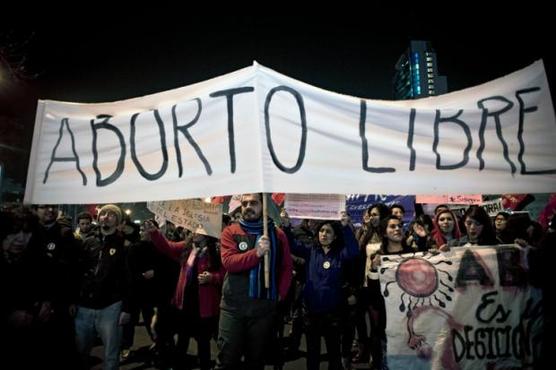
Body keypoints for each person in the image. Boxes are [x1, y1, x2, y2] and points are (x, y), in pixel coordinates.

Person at [216, 193, 293, 370]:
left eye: (253, 203)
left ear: (263, 206)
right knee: (227, 359)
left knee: (256, 360)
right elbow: (229, 263)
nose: (248, 207)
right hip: (233, 308)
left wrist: (280, 293)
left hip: (263, 309)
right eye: (245, 204)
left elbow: (287, 267)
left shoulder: (277, 234)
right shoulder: (230, 232)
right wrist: (256, 253)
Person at [144, 220, 225, 370]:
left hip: (204, 306)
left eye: (198, 230)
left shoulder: (217, 250)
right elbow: (167, 247)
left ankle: (205, 366)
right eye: (193, 229)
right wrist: (154, 232)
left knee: (203, 343)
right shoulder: (187, 248)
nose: (194, 232)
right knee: (182, 339)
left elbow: (224, 273)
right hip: (185, 303)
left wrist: (212, 277)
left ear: (207, 233)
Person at [283, 215, 359, 370]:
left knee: (334, 354)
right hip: (311, 313)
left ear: (335, 235)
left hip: (333, 314)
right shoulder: (311, 250)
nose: (324, 234)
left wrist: (345, 227)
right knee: (313, 354)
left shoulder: (340, 253)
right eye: (322, 231)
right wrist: (286, 226)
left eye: (328, 231)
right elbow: (291, 244)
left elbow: (353, 251)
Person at [74, 204, 131, 370]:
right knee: (80, 351)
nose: (106, 216)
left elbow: (128, 280)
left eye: (111, 214)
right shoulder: (88, 242)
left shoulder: (125, 246)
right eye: (103, 213)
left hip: (110, 307)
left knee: (110, 354)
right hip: (84, 306)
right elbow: (77, 271)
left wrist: (127, 308)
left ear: (118, 221)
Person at [365, 216, 414, 370]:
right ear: (384, 233)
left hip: (413, 321)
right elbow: (373, 294)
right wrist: (373, 269)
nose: (397, 229)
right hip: (389, 322)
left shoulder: (414, 254)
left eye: (400, 225)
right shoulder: (379, 258)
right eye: (392, 227)